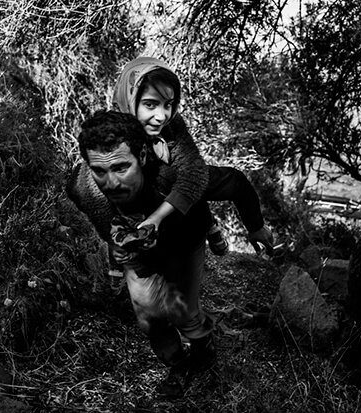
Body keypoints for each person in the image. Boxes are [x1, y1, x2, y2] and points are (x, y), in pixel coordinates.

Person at [70, 110, 215, 397]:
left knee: (182, 310)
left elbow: (208, 194)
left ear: (143, 157)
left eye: (122, 167)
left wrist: (215, 234)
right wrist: (116, 244)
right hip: (139, 250)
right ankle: (178, 364)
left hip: (184, 241)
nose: (111, 183)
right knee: (149, 318)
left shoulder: (171, 175)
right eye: (99, 171)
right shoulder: (82, 189)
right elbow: (99, 218)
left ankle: (203, 347)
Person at [112, 57, 274, 256]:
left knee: (184, 180)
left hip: (171, 182)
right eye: (150, 104)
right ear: (129, 98)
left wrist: (255, 226)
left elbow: (202, 176)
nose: (162, 116)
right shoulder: (108, 141)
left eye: (168, 104)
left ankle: (205, 222)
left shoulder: (172, 125)